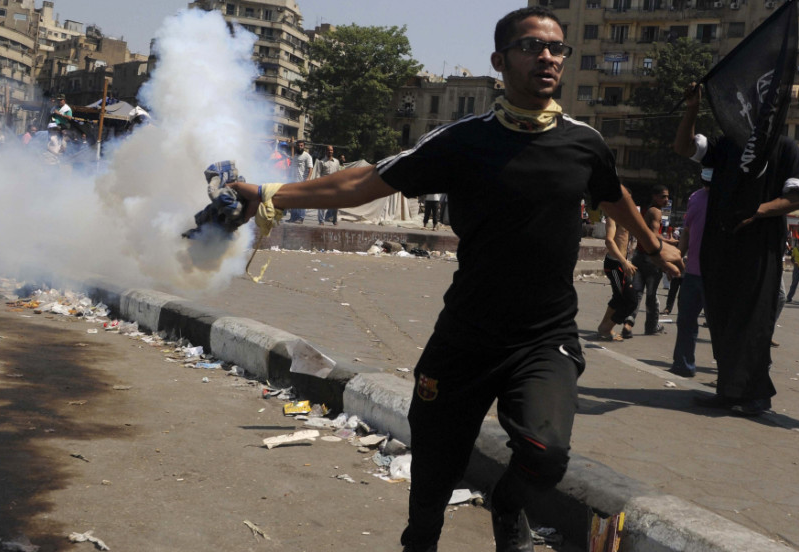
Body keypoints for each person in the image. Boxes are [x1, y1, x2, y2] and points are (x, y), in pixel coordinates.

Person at [229, 8, 683, 550]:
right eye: (531, 46)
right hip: (467, 335)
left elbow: (613, 196)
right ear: (500, 61)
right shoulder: (461, 141)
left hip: (545, 337)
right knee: (432, 481)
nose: (546, 57)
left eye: (556, 48)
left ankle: (509, 505)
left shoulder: (585, 143)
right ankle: (420, 537)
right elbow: (363, 184)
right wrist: (269, 193)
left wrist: (654, 244)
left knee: (546, 456)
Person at [674, 82, 799, 416]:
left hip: (759, 251)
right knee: (722, 318)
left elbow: (797, 196)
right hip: (720, 247)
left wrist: (759, 210)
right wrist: (692, 107)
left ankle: (756, 395)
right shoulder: (729, 145)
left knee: (753, 323)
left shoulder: (786, 148)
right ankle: (728, 391)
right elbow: (684, 147)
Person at [668, 169, 712, 377]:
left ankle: (727, 372)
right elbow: (686, 232)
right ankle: (683, 365)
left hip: (717, 276)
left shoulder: (732, 197)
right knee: (685, 320)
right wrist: (677, 260)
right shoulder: (695, 197)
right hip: (693, 273)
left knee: (720, 327)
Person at [630, 185, 678, 335]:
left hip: (639, 255)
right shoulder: (655, 212)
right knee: (651, 296)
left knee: (637, 293)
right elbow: (653, 234)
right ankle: (651, 327)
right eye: (663, 196)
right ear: (654, 197)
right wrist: (671, 242)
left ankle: (628, 323)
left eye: (667, 197)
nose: (666, 200)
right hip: (651, 259)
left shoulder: (650, 210)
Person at [597, 215, 638, 341]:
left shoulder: (626, 217)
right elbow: (609, 241)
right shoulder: (613, 217)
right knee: (630, 300)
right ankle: (606, 329)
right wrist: (624, 262)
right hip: (615, 265)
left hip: (622, 263)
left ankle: (604, 327)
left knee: (618, 297)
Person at [287, 139, 313, 223]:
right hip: (293, 181)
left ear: (304, 146)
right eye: (298, 145)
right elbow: (292, 168)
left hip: (302, 181)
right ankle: (293, 217)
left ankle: (301, 218)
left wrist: (308, 178)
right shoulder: (295, 156)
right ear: (296, 146)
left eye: (301, 145)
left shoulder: (307, 156)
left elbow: (310, 168)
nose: (300, 147)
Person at [314, 145, 341, 225]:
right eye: (328, 150)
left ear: (333, 151)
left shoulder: (336, 162)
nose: (330, 152)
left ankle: (334, 220)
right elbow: (318, 174)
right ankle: (321, 221)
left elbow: (338, 174)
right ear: (326, 151)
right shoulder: (321, 162)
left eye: (331, 150)